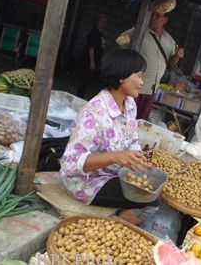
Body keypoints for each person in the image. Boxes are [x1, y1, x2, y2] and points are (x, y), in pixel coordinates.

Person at [60, 48, 157, 225]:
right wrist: (115, 157)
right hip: (87, 182)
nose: (142, 82)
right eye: (139, 75)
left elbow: (132, 139)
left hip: (112, 173)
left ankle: (117, 221)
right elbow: (70, 163)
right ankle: (110, 228)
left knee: (152, 188)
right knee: (150, 201)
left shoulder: (130, 104)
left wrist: (137, 160)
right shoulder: (94, 113)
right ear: (121, 77)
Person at [116, 0, 184, 120]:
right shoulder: (139, 31)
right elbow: (120, 41)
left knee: (141, 121)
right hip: (134, 87)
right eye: (153, 15)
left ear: (165, 20)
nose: (154, 18)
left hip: (151, 90)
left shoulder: (169, 41)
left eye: (158, 16)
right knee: (125, 119)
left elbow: (171, 63)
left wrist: (176, 57)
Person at [76, 14, 107, 99]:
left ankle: (81, 96)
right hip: (88, 61)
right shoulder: (94, 33)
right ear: (97, 22)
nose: (104, 24)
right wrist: (92, 62)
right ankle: (79, 97)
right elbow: (91, 48)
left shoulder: (101, 34)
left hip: (95, 61)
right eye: (101, 22)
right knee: (84, 80)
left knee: (88, 80)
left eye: (105, 22)